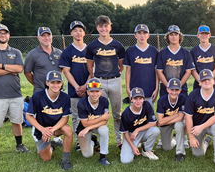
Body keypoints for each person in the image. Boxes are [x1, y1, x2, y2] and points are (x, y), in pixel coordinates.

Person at [0, 24, 31, 160]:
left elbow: (19, 69)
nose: (2, 35)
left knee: (17, 120)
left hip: (15, 94)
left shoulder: (16, 52)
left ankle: (19, 145)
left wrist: (0, 66)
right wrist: (10, 69)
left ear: (9, 35)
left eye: (5, 33)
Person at [85, 15, 126, 146]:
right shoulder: (92, 46)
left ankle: (120, 142)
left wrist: (115, 74)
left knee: (117, 113)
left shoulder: (117, 45)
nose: (103, 28)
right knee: (98, 114)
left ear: (110, 27)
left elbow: (121, 64)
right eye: (101, 26)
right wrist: (96, 76)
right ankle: (102, 143)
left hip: (115, 80)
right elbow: (89, 65)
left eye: (105, 26)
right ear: (97, 28)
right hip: (99, 81)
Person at [25, 70, 75, 170]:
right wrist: (43, 130)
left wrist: (52, 130)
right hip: (40, 129)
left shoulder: (65, 97)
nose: (55, 85)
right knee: (46, 159)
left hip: (56, 128)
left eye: (58, 82)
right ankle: (50, 146)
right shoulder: (37, 96)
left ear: (61, 83)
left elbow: (65, 118)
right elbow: (28, 116)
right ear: (47, 83)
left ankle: (65, 160)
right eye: (52, 82)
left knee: (68, 130)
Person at [184, 69, 215, 169]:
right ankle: (207, 142)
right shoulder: (193, 95)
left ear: (213, 81)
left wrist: (202, 126)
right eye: (203, 80)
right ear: (199, 82)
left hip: (211, 125)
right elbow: (188, 117)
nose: (206, 81)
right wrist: (191, 137)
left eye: (209, 79)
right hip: (196, 127)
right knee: (198, 154)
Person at [60, 20, 91, 141]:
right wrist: (78, 87)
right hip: (73, 90)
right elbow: (66, 71)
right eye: (75, 30)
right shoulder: (67, 51)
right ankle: (79, 141)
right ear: (71, 33)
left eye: (80, 30)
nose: (78, 33)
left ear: (84, 33)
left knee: (89, 114)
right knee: (76, 116)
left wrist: (85, 86)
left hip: (89, 88)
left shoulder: (90, 50)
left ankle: (89, 137)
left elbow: (92, 71)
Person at [119, 87, 160, 163]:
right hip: (132, 136)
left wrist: (137, 130)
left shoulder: (147, 105)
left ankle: (146, 150)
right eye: (135, 98)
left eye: (140, 98)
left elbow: (153, 123)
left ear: (143, 99)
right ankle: (135, 145)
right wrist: (133, 147)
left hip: (144, 132)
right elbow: (125, 132)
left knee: (155, 131)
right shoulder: (126, 113)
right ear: (131, 99)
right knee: (125, 160)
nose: (138, 101)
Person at [76, 77, 111, 166]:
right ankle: (93, 140)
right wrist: (102, 117)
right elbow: (85, 123)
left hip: (90, 127)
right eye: (92, 91)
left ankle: (103, 157)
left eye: (97, 91)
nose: (95, 94)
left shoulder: (104, 101)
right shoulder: (82, 103)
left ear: (101, 91)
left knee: (104, 130)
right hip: (83, 128)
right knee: (87, 155)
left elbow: (105, 121)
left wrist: (89, 128)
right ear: (87, 92)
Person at [156, 25, 195, 101]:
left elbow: (188, 72)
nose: (174, 37)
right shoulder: (162, 53)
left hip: (181, 88)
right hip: (165, 89)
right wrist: (168, 87)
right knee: (166, 111)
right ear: (168, 36)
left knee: (182, 111)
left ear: (179, 36)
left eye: (176, 34)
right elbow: (159, 72)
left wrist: (178, 86)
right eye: (171, 35)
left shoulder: (186, 53)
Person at [124, 24, 159, 106]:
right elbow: (128, 71)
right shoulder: (130, 50)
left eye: (144, 33)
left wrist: (157, 89)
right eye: (139, 33)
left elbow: (157, 71)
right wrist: (127, 89)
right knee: (135, 115)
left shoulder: (154, 51)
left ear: (148, 35)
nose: (142, 35)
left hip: (150, 89)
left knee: (149, 114)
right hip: (135, 89)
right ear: (135, 35)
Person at [156, 78, 188, 162]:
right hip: (166, 125)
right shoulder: (161, 100)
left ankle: (180, 153)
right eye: (171, 89)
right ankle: (174, 140)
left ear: (180, 90)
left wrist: (164, 121)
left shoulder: (183, 98)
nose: (174, 92)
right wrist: (176, 115)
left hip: (176, 122)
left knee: (179, 124)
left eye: (176, 90)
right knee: (167, 148)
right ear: (167, 89)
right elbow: (160, 121)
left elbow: (181, 118)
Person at [24, 26, 63, 94]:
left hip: (57, 91)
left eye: (48, 35)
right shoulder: (32, 54)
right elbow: (27, 72)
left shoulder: (59, 53)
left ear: (52, 36)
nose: (47, 38)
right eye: (43, 36)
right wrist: (37, 84)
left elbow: (61, 69)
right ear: (38, 38)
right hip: (40, 91)